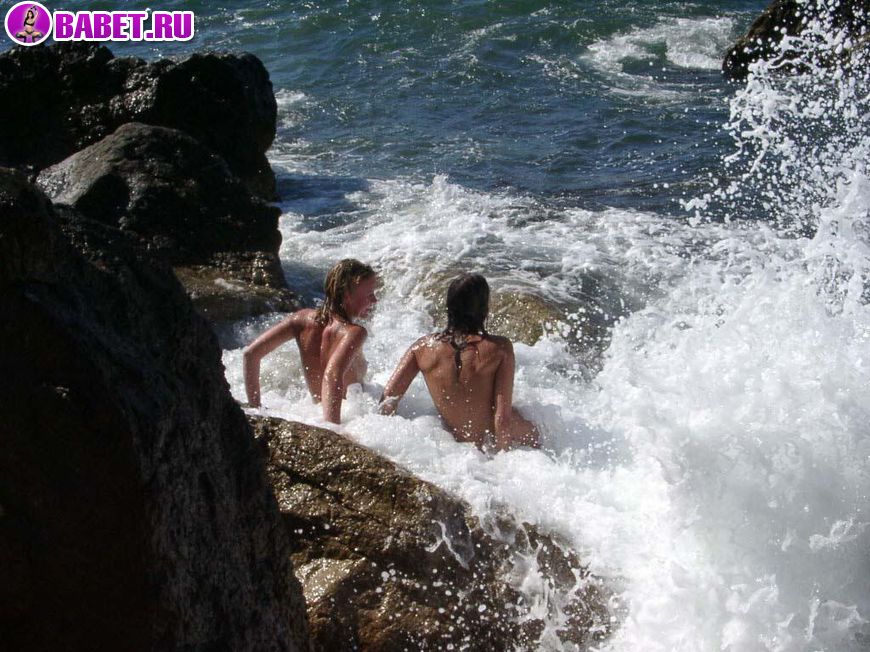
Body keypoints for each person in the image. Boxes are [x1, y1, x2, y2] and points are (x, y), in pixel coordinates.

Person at [380, 273, 540, 452]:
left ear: (449, 307)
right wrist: (503, 460)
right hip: (493, 442)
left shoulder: (421, 348)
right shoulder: (500, 348)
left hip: (458, 448)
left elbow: (387, 400)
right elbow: (502, 420)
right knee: (542, 431)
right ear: (484, 308)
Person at [243, 259, 377, 423]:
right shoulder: (354, 332)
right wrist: (333, 429)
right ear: (347, 296)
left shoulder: (300, 319)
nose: (374, 300)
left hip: (314, 413)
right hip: (348, 418)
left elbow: (250, 354)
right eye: (369, 294)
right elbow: (332, 375)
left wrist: (255, 408)